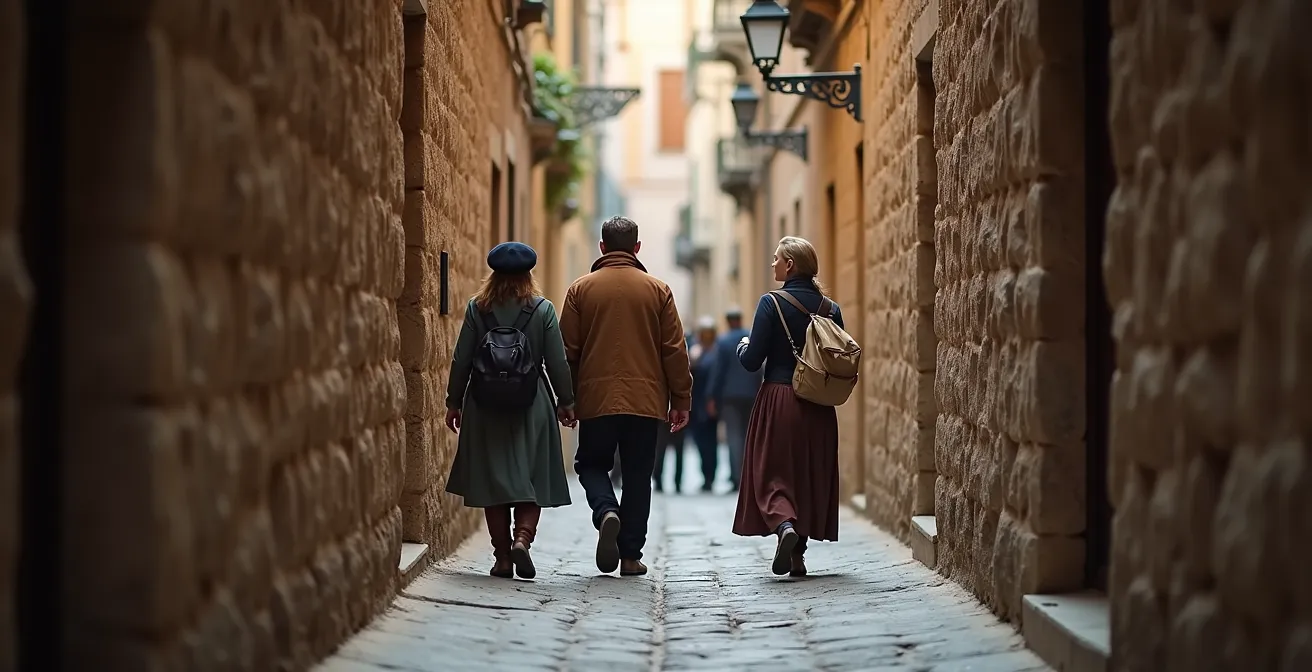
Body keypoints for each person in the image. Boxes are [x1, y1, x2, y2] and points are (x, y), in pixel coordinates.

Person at [561, 215, 693, 577]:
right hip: (645, 401)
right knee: (638, 474)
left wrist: (566, 398)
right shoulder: (658, 290)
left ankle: (606, 511)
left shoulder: (579, 290)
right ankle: (631, 556)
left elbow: (566, 352)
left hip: (595, 399)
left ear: (602, 247)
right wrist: (681, 399)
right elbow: (674, 350)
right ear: (637, 248)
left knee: (590, 464)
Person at [443, 242, 577, 580]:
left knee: (494, 480)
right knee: (530, 476)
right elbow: (557, 361)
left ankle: (502, 557)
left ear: (494, 274)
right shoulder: (542, 310)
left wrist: (454, 402)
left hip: (484, 405)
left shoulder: (478, 308)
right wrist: (566, 401)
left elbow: (462, 359)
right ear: (529, 274)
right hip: (530, 404)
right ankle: (522, 540)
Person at [733, 236, 844, 577]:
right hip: (819, 407)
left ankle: (784, 526)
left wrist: (743, 345)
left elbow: (753, 362)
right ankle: (798, 557)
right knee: (808, 473)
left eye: (777, 258)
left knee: (772, 472)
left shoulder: (771, 304)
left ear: (790, 265)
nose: (773, 264)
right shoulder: (831, 309)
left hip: (780, 400)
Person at [706, 306, 763, 491]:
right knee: (749, 436)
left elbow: (718, 372)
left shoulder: (722, 342)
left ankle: (736, 478)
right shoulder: (751, 337)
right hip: (751, 394)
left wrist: (711, 396)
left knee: (734, 437)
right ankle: (749, 477)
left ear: (728, 321)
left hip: (729, 396)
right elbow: (759, 366)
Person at [688, 316, 721, 493]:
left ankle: (710, 477)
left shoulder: (717, 352)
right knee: (701, 443)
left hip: (709, 404)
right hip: (697, 404)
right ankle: (706, 476)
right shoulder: (696, 352)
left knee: (710, 443)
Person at [651, 414, 687, 493]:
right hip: (666, 417)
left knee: (674, 450)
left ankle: (677, 481)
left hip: (674, 416)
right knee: (661, 450)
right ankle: (659, 480)